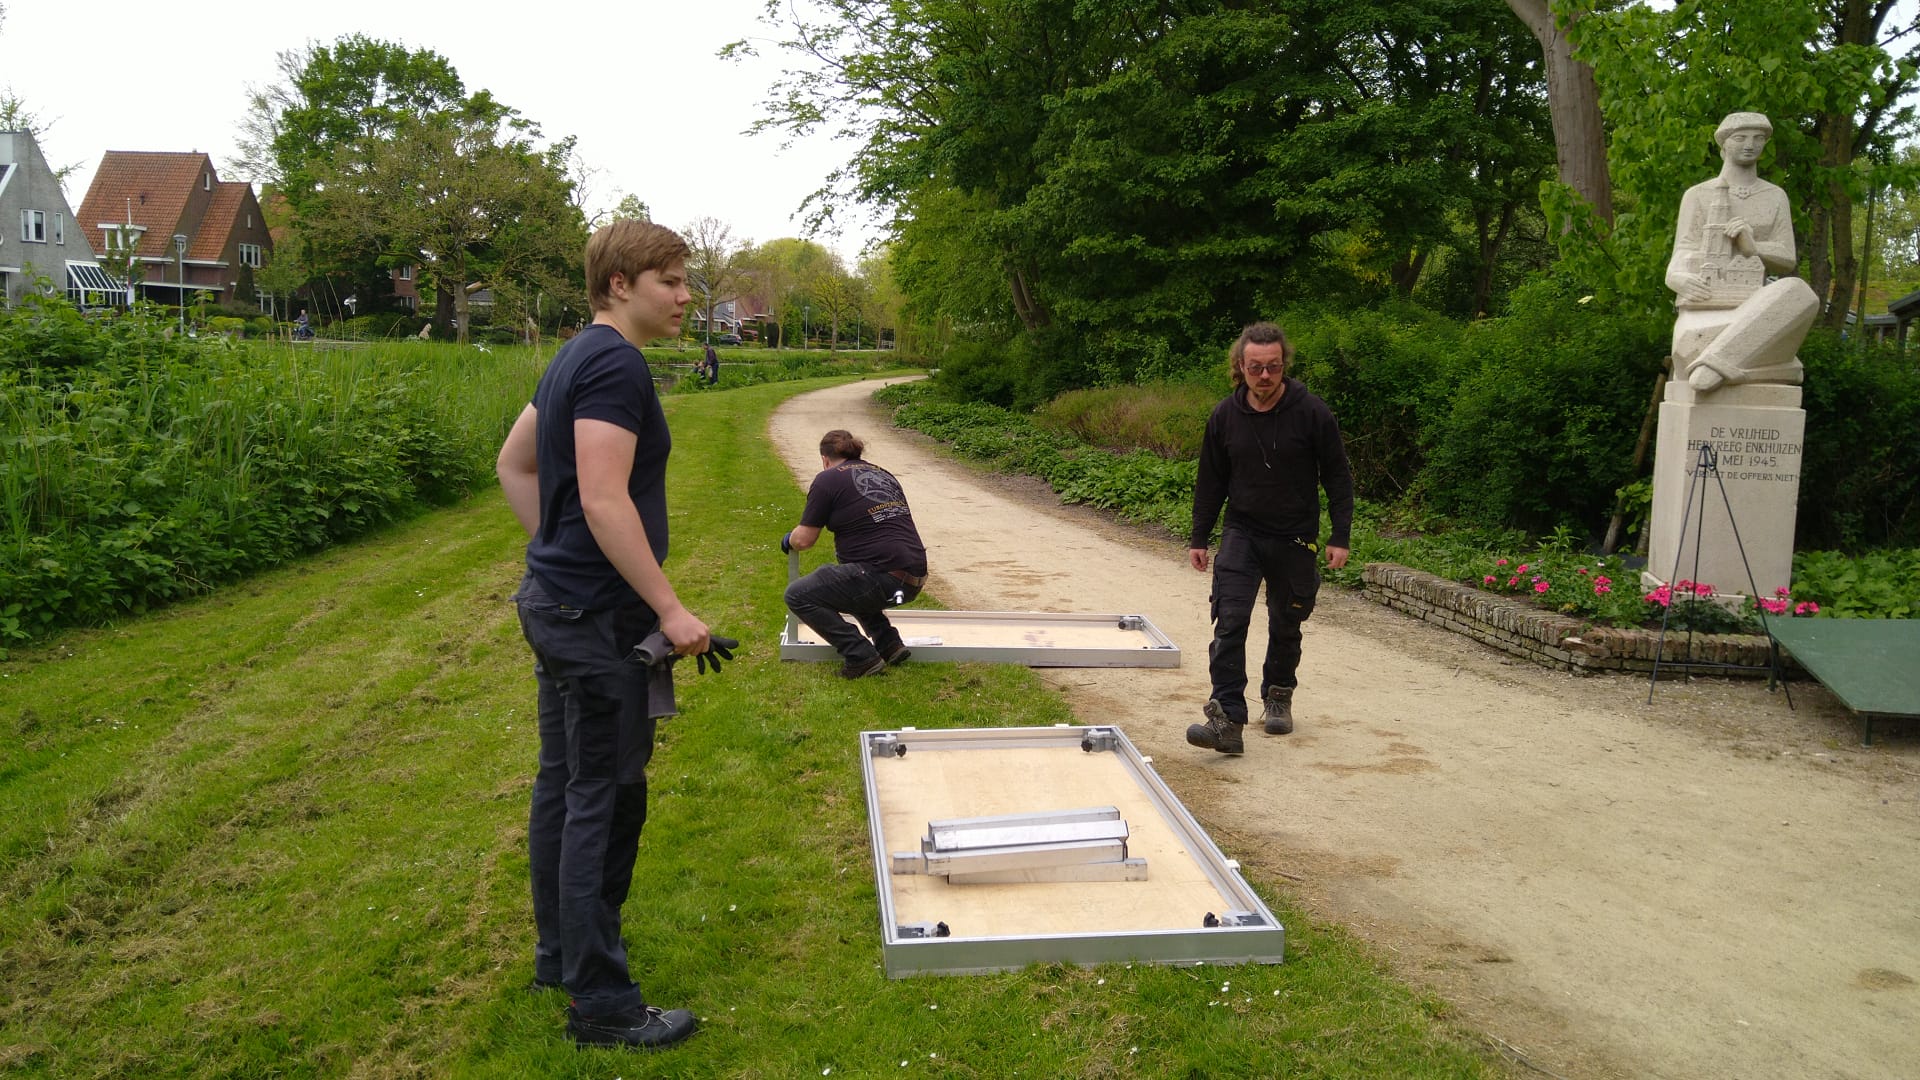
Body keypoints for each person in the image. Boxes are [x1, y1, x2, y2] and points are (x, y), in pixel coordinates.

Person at [495, 218, 716, 1050]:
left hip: (557, 602)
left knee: (563, 784)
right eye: (671, 281)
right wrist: (669, 608)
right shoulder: (617, 364)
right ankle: (602, 1003)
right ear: (619, 284)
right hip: (593, 622)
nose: (687, 297)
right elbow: (601, 496)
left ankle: (560, 957)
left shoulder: (572, 356)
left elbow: (514, 464)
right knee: (605, 795)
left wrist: (556, 554)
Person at [1186, 322, 1354, 756]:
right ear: (1240, 367)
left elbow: (1338, 476)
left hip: (1295, 535)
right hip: (1242, 531)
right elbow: (1210, 481)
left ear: (1284, 365)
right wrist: (1199, 536)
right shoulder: (1224, 416)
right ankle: (1227, 719)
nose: (1265, 376)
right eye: (1256, 367)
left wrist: (1340, 535)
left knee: (1286, 621)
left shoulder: (1311, 412)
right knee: (1230, 620)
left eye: (1273, 367)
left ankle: (1278, 694)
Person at [1664, 112, 1818, 392]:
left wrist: (1755, 247)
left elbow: (1787, 258)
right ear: (1724, 144)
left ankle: (1714, 365)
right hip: (1704, 312)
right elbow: (1682, 251)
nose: (1750, 145)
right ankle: (1769, 368)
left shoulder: (1775, 196)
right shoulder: (1698, 195)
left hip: (1755, 310)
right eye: (1740, 138)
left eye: (1758, 139)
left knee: (1800, 292)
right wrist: (1678, 279)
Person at [782, 430, 927, 678]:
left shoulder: (827, 479)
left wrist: (789, 539)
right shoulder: (882, 474)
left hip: (884, 577)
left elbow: (803, 540)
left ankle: (861, 656)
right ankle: (889, 644)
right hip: (913, 577)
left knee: (797, 594)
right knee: (850, 577)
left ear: (825, 459)